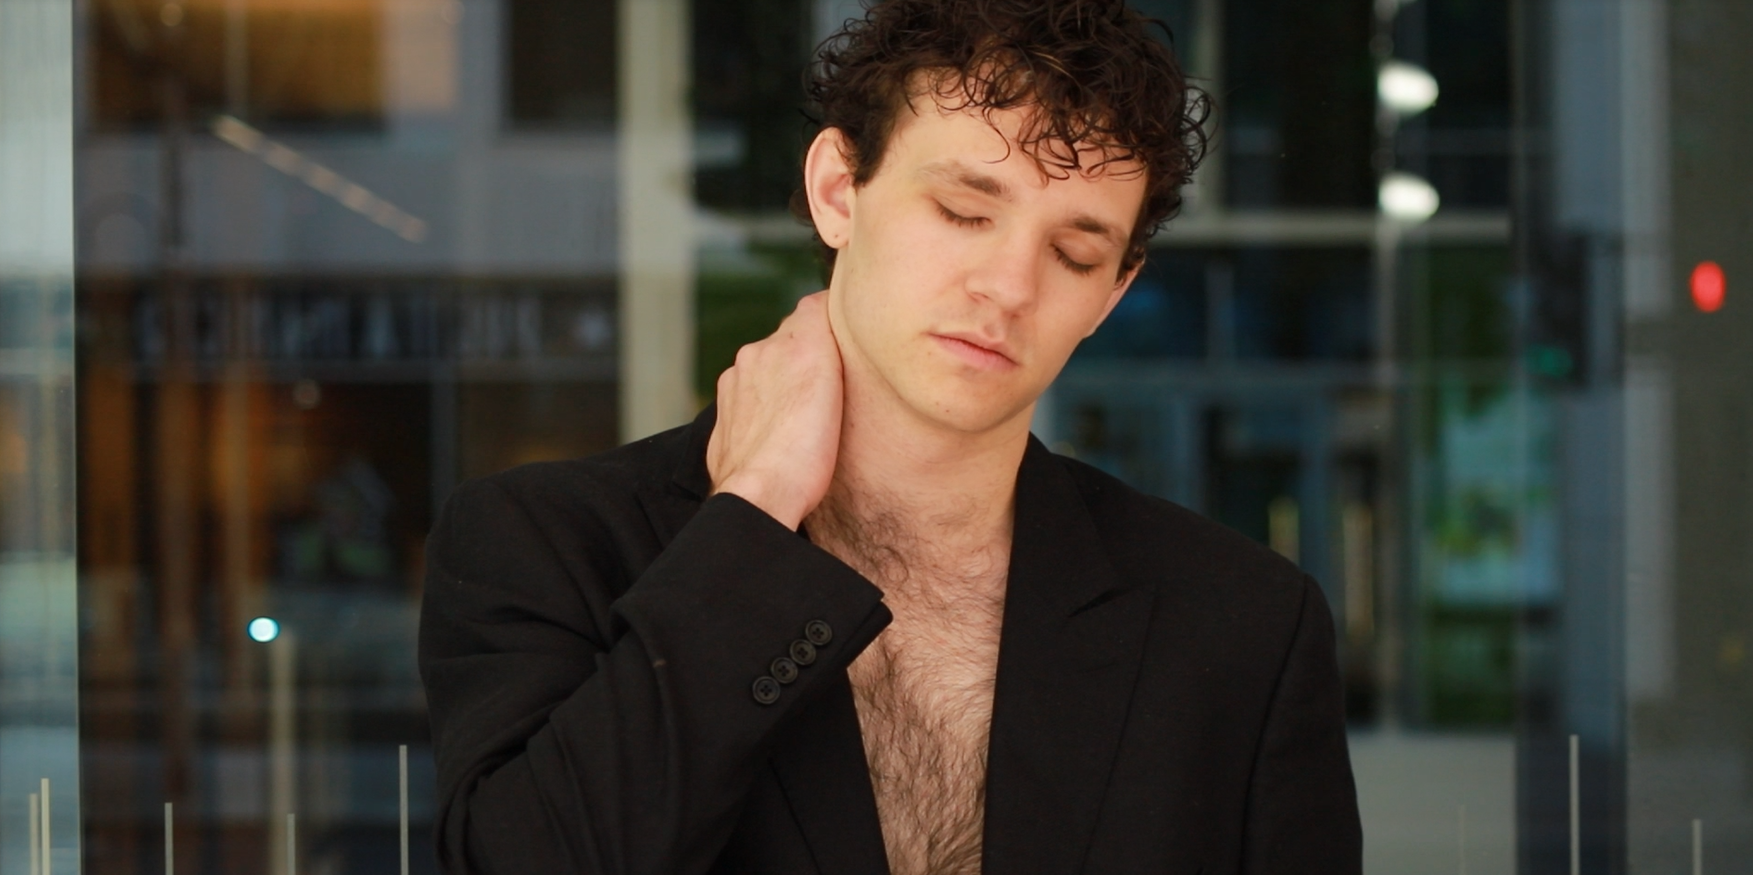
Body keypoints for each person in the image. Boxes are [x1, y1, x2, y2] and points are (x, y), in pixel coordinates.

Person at [418, 0, 1362, 872]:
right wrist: (751, 515)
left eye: (1073, 253)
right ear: (837, 188)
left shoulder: (1240, 624)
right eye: (963, 211)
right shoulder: (544, 543)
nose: (1009, 286)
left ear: (1113, 291)